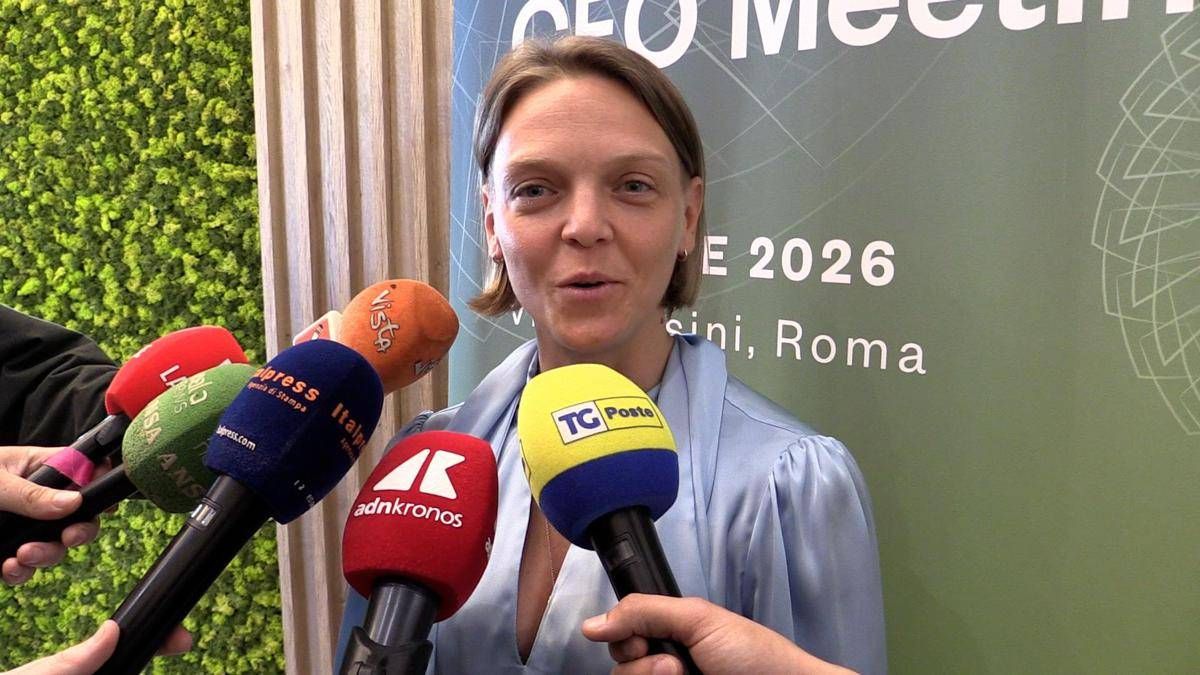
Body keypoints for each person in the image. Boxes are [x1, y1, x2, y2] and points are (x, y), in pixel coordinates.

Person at [337, 35, 886, 674]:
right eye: (535, 189)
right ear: (491, 224)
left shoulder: (787, 482)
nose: (585, 226)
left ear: (689, 216)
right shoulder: (426, 464)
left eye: (632, 185)